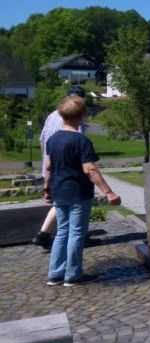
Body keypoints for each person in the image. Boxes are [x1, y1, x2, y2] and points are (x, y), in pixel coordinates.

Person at [43, 96, 121, 287]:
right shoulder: (81, 141)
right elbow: (90, 169)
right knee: (76, 233)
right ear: (82, 116)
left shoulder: (52, 140)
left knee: (62, 232)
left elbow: (49, 167)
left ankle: (55, 273)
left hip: (59, 191)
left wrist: (47, 189)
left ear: (61, 115)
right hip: (78, 192)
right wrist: (108, 192)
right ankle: (73, 275)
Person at [33, 86, 88, 250]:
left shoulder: (52, 115)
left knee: (60, 202)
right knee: (74, 204)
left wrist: (47, 159)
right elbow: (78, 143)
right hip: (67, 168)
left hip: (51, 163)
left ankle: (43, 234)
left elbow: (42, 139)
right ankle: (74, 238)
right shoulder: (74, 118)